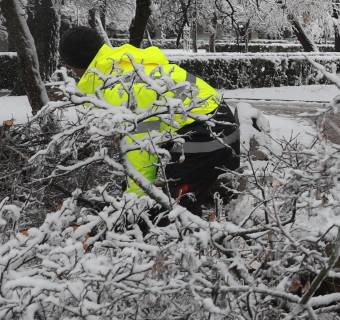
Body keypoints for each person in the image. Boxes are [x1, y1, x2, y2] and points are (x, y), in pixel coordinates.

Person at [59, 26, 240, 211]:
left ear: (72, 65)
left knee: (166, 210)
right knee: (161, 197)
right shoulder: (125, 63)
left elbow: (140, 150)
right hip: (218, 127)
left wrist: (135, 207)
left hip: (208, 137)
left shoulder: (115, 90)